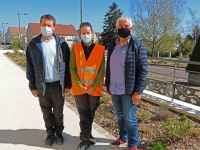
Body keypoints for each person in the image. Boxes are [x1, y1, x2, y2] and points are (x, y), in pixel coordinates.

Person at [26, 14, 71, 147]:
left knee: (58, 113)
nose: (46, 27)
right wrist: (32, 86)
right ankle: (50, 134)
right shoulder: (33, 45)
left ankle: (59, 134)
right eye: (44, 25)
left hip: (58, 85)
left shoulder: (62, 44)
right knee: (46, 113)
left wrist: (68, 84)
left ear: (54, 27)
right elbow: (30, 67)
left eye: (49, 25)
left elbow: (67, 65)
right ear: (40, 26)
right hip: (42, 85)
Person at [105, 16, 148, 150]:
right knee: (120, 116)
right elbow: (109, 67)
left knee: (130, 118)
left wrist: (138, 91)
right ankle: (123, 138)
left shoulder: (138, 46)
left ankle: (133, 143)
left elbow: (143, 70)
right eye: (121, 27)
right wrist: (108, 84)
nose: (124, 29)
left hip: (129, 91)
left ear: (131, 28)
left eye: (126, 27)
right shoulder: (112, 45)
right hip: (114, 89)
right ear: (117, 29)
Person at [70, 22, 105, 150]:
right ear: (80, 34)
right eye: (83, 33)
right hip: (80, 89)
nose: (86, 35)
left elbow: (101, 70)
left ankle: (88, 135)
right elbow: (72, 68)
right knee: (83, 114)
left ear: (92, 33)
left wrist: (93, 87)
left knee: (91, 113)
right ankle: (84, 138)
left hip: (93, 89)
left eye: (88, 32)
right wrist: (80, 86)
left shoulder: (100, 49)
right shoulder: (75, 49)